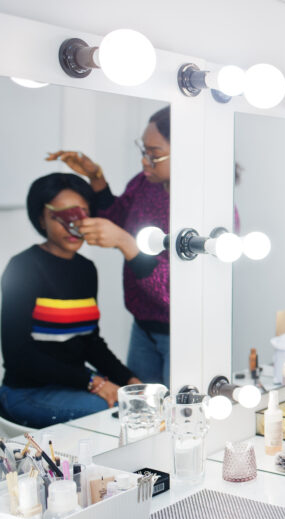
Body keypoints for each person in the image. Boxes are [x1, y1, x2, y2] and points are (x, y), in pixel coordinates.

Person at [0, 173, 142, 428]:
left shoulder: (86, 269)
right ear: (42, 219)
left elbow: (90, 342)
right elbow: (17, 353)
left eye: (81, 215)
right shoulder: (22, 267)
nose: (73, 226)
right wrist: (92, 381)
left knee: (138, 401)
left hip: (75, 384)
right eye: (61, 216)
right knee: (116, 413)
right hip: (27, 393)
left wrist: (131, 380)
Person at [46, 106, 171, 386]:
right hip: (142, 327)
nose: (145, 162)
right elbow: (116, 218)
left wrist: (127, 243)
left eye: (155, 153)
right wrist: (96, 178)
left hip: (181, 332)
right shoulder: (145, 184)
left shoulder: (208, 206)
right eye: (144, 150)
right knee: (144, 416)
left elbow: (174, 293)